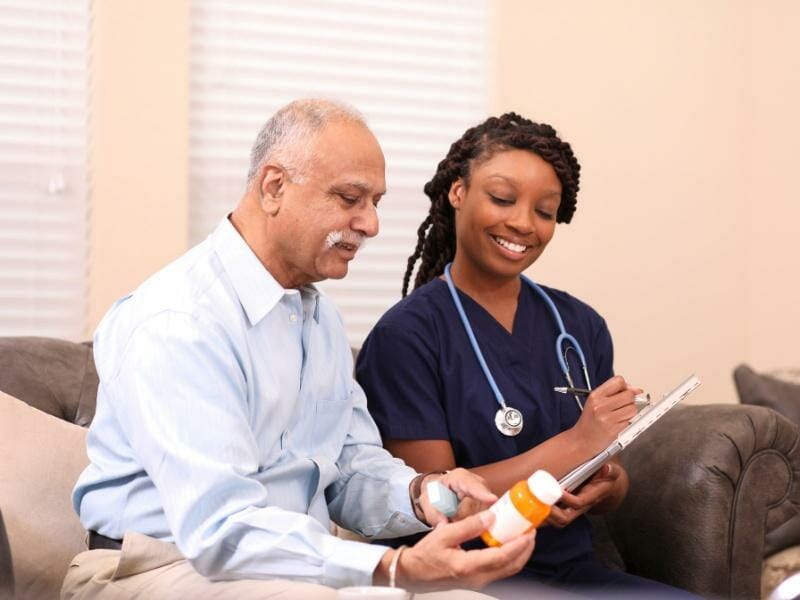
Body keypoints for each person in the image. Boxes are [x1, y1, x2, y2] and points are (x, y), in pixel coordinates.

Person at [63, 100, 535, 600]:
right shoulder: (179, 321)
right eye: (351, 198)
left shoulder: (319, 318)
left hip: (284, 570)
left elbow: (349, 465)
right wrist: (394, 567)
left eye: (375, 201)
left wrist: (424, 495)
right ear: (274, 188)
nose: (371, 224)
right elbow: (221, 529)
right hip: (160, 566)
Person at [355, 113, 693, 597]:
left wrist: (604, 486)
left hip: (574, 574)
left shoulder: (580, 327)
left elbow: (614, 477)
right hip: (464, 581)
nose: (522, 223)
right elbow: (435, 500)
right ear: (457, 193)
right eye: (502, 198)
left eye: (545, 211)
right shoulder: (406, 336)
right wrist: (576, 444)